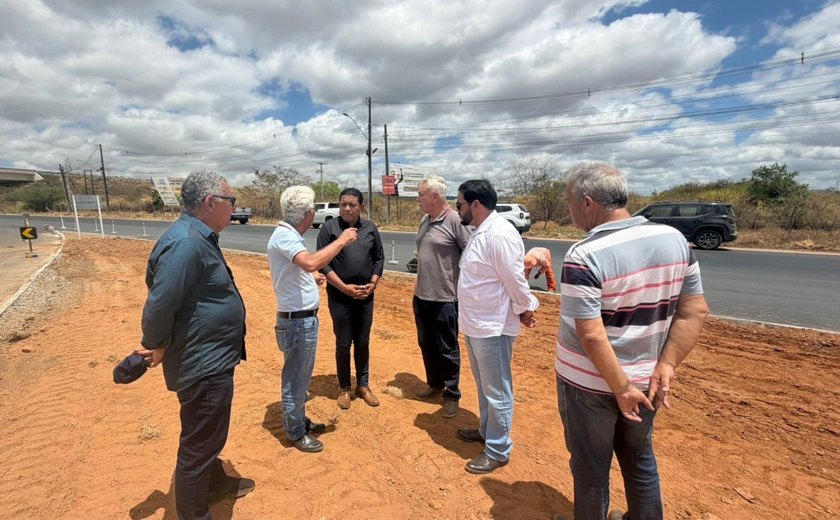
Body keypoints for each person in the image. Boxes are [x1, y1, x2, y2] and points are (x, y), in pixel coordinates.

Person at [555, 162, 709, 520]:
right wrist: (666, 364)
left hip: (590, 386)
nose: (569, 210)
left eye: (569, 202)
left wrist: (620, 387)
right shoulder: (675, 240)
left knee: (591, 472)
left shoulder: (585, 254)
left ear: (588, 203)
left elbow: (591, 333)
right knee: (640, 462)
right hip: (648, 379)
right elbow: (695, 311)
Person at [135, 170, 254, 520]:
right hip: (202, 362)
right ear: (210, 202)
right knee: (198, 445)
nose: (234, 208)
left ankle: (214, 484)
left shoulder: (196, 237)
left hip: (209, 356)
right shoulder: (187, 242)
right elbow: (160, 301)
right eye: (231, 201)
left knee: (208, 436)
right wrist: (156, 343)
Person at [454, 179, 539, 475]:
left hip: (493, 327)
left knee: (497, 389)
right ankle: (486, 430)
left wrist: (526, 309)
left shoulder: (500, 234)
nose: (458, 210)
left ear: (475, 204)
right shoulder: (481, 232)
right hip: (477, 324)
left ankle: (498, 449)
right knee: (484, 384)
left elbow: (514, 280)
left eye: (460, 204)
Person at [267, 186, 358, 453]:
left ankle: (298, 421)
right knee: (296, 379)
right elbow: (308, 262)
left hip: (299, 320)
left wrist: (311, 277)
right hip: (297, 322)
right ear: (307, 213)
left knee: (300, 377)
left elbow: (298, 269)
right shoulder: (286, 237)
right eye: (313, 211)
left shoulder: (287, 235)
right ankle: (295, 432)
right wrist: (341, 241)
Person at [316, 188, 385, 409]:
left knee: (363, 342)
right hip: (340, 297)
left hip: (366, 296)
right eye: (343, 203)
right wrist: (345, 288)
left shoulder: (370, 228)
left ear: (360, 207)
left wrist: (373, 283)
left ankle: (363, 385)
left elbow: (379, 258)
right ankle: (344, 387)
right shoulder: (329, 228)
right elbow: (323, 263)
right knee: (343, 342)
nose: (347, 208)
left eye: (352, 204)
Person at [412, 175, 471, 418]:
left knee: (446, 348)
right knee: (426, 343)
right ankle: (435, 384)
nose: (418, 199)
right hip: (421, 295)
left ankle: (452, 393)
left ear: (435, 196)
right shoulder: (425, 219)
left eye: (421, 195)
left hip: (445, 299)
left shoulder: (455, 220)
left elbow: (470, 252)